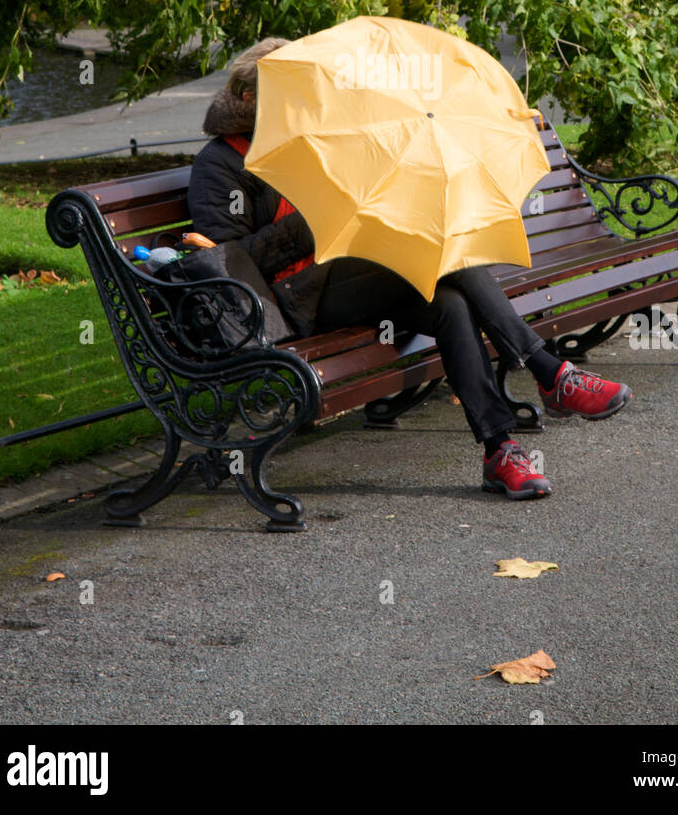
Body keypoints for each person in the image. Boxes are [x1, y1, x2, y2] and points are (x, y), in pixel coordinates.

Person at [187, 39, 633, 501]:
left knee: (452, 304)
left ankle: (500, 450)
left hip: (354, 274)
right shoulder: (218, 166)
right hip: (297, 300)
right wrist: (318, 218)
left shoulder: (316, 138)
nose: (306, 103)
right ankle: (549, 372)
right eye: (291, 93)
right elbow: (233, 267)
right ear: (248, 97)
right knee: (448, 263)